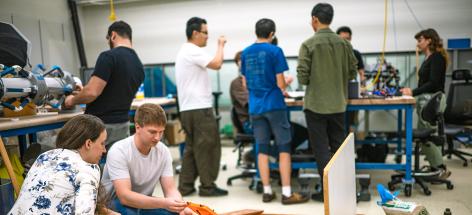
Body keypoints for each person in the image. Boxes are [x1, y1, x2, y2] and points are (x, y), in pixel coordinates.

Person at [240, 18, 309, 205]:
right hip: (275, 105)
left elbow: (245, 83)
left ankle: (267, 191)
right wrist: (284, 82)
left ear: (256, 32)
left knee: (261, 148)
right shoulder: (275, 51)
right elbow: (279, 83)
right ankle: (287, 193)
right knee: (284, 147)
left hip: (256, 107)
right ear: (272, 34)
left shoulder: (245, 53)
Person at [296, 3, 357, 202]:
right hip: (339, 104)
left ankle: (327, 192)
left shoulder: (308, 44)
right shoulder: (345, 44)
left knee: (321, 149)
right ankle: (341, 191)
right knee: (339, 148)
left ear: (314, 19)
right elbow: (352, 72)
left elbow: (303, 78)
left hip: (315, 106)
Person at [8, 114, 116, 215]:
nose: (104, 150)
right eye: (102, 143)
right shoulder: (88, 169)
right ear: (88, 143)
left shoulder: (46, 156)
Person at [101, 103, 196, 215]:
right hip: (112, 205)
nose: (157, 137)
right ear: (137, 127)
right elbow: (125, 197)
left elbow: (170, 190)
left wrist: (180, 207)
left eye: (161, 132)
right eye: (152, 132)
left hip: (143, 203)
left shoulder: (163, 151)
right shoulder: (119, 151)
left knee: (176, 213)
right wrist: (163, 203)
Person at [65, 20, 144, 147]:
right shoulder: (138, 65)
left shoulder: (109, 56)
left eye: (108, 39)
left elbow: (92, 92)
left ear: (113, 35)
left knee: (92, 165)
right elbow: (114, 91)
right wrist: (83, 91)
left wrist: (71, 100)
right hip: (122, 126)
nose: (108, 43)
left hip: (99, 127)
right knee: (116, 163)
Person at [175, 17, 228, 197]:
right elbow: (217, 64)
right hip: (199, 109)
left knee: (191, 149)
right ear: (195, 33)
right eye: (205, 33)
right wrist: (221, 45)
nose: (208, 36)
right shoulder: (192, 50)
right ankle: (207, 187)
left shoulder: (184, 51)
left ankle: (186, 186)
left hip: (188, 109)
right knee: (208, 147)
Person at [400, 28, 451, 179]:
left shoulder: (437, 58)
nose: (418, 44)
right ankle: (435, 166)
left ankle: (440, 168)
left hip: (432, 100)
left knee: (426, 135)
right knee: (424, 135)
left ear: (429, 40)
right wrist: (416, 96)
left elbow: (433, 83)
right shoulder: (429, 58)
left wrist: (413, 92)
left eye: (420, 40)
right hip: (426, 100)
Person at [336, 26, 365, 131]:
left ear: (351, 38)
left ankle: (352, 143)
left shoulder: (355, 54)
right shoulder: (333, 54)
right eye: (342, 39)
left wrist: (363, 87)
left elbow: (362, 73)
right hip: (336, 94)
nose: (345, 42)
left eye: (347, 39)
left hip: (351, 94)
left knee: (351, 123)